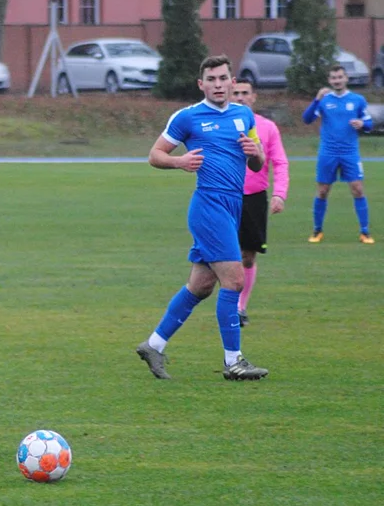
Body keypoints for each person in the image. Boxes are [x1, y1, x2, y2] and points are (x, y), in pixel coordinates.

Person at [135, 55, 269, 381]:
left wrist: (256, 154)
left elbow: (256, 162)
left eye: (224, 78)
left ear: (232, 81)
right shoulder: (188, 118)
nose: (219, 84)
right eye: (212, 79)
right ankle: (233, 361)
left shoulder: (243, 115)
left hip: (232, 206)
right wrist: (179, 162)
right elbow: (155, 155)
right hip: (209, 207)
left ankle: (154, 345)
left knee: (201, 285)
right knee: (234, 280)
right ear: (202, 84)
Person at [231, 78, 290, 326]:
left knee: (247, 257)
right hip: (224, 196)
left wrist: (280, 193)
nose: (241, 97)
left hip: (254, 198)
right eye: (237, 93)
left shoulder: (267, 127)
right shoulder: (219, 125)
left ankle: (240, 307)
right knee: (223, 256)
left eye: (245, 93)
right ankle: (227, 305)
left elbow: (280, 162)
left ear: (253, 97)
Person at [303, 63, 375, 244]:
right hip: (328, 152)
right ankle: (317, 230)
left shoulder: (357, 100)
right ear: (329, 80)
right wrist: (316, 99)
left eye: (340, 77)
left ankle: (365, 232)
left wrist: (362, 124)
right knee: (322, 191)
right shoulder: (325, 100)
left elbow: (369, 123)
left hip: (350, 152)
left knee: (358, 189)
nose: (337, 80)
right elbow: (307, 119)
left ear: (346, 79)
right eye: (333, 78)